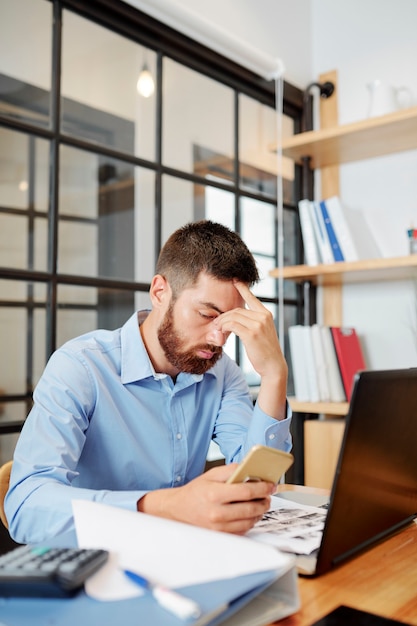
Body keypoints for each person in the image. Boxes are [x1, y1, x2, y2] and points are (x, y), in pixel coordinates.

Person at [5, 220, 292, 544]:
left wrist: (274, 374)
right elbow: (25, 508)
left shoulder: (221, 371)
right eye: (207, 315)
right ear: (160, 292)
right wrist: (166, 507)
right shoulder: (81, 367)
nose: (218, 338)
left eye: (229, 323)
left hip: (182, 556)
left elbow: (253, 481)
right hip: (95, 560)